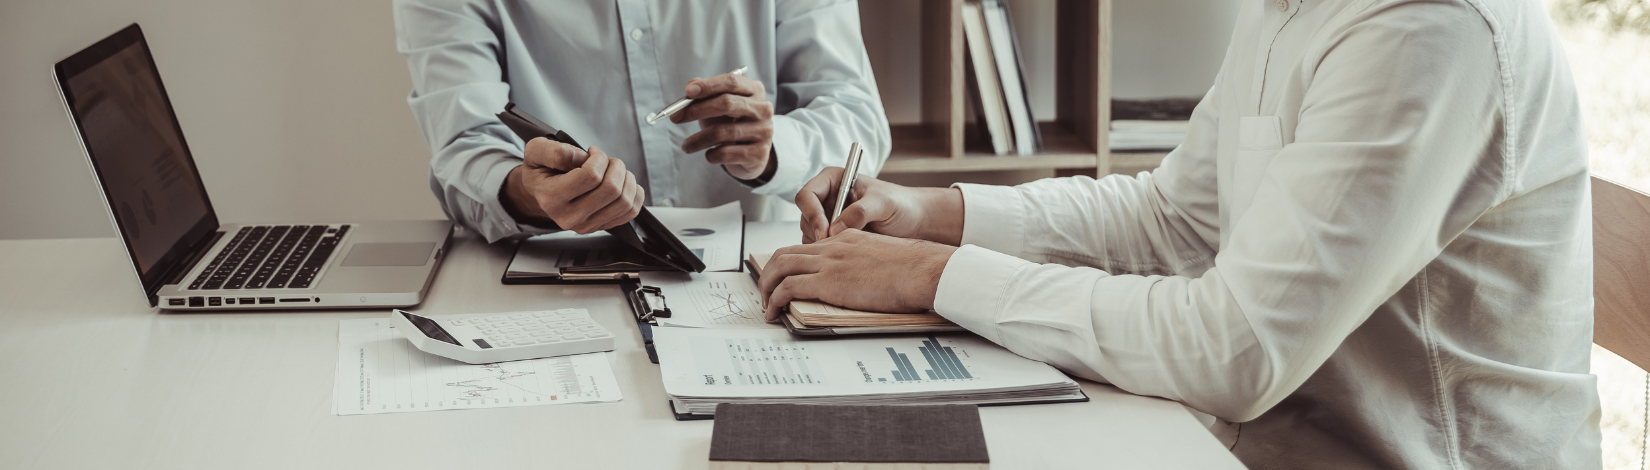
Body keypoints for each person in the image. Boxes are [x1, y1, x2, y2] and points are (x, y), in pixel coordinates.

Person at [758, 0, 1601, 468]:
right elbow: (1175, 217)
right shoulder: (1290, 9)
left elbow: (1233, 352)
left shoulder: (1424, 27)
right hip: (1271, 441)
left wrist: (928, 276)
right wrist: (935, 214)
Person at [393, 0, 890, 241]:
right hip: (553, 271)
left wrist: (773, 151)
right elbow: (463, 149)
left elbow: (858, 121)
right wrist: (530, 193)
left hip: (758, 269)